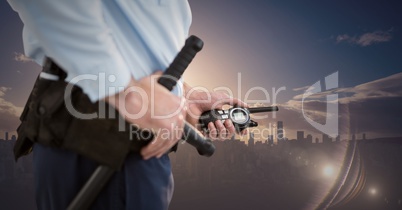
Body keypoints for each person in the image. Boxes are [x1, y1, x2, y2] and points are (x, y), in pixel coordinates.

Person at [8, 1, 247, 209]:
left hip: (140, 140)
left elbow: (139, 44)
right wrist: (127, 94)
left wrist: (184, 95)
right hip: (98, 133)